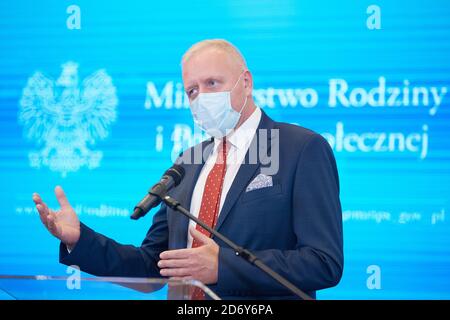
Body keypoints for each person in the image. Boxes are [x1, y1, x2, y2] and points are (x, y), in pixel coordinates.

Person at [32, 39, 343, 300]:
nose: (202, 97)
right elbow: (153, 266)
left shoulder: (299, 148)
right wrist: (79, 239)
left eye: (212, 83)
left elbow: (322, 262)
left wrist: (224, 265)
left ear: (245, 83)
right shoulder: (188, 161)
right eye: (192, 91)